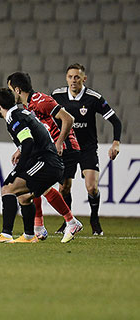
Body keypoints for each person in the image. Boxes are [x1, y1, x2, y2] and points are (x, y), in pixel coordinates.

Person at [0, 88, 80, 243]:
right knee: (23, 196)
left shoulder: (14, 119)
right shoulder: (21, 113)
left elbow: (28, 141)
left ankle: (6, 234)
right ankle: (32, 234)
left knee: (8, 188)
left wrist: (19, 169)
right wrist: (21, 150)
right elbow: (34, 137)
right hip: (49, 161)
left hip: (46, 162)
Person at [7, 72, 83, 241]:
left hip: (65, 148)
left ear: (17, 90)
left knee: (41, 187)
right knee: (35, 183)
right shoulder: (27, 108)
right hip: (50, 150)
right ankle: (42, 226)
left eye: (10, 89)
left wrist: (59, 142)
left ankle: (63, 223)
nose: (9, 93)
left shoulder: (42, 101)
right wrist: (21, 149)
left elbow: (68, 119)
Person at [52, 63, 122, 236]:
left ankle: (94, 219)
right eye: (70, 77)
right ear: (66, 78)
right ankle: (68, 221)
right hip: (67, 148)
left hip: (87, 149)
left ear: (84, 78)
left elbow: (116, 121)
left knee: (92, 188)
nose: (73, 80)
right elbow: (46, 118)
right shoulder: (57, 96)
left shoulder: (93, 98)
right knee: (64, 188)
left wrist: (116, 143)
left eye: (77, 77)